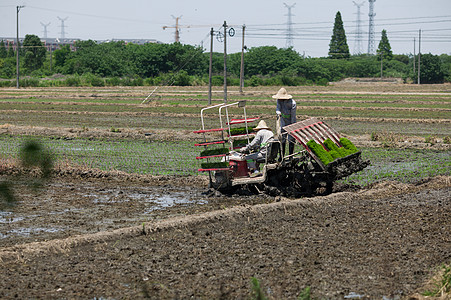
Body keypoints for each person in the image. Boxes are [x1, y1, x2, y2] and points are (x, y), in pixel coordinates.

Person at [273, 87, 296, 156]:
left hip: (290, 121)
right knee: (282, 138)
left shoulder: (292, 103)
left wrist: (292, 127)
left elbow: (293, 116)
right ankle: (281, 156)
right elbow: (278, 108)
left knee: (291, 139)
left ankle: (290, 155)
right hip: (283, 121)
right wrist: (278, 112)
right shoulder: (279, 101)